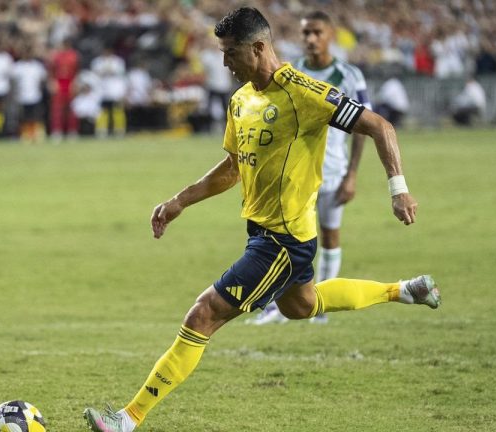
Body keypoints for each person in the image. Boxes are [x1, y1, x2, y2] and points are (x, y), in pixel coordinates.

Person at [83, 8, 440, 432]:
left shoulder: (305, 94)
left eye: (231, 53)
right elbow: (232, 168)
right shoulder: (241, 100)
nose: (224, 64)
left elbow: (380, 126)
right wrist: (180, 201)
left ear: (258, 47)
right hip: (269, 233)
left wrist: (398, 189)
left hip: (283, 241)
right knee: (303, 305)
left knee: (202, 315)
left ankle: (127, 418)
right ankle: (405, 291)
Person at [246, 10, 372, 325]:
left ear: (331, 34)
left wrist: (352, 174)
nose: (311, 39)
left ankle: (320, 306)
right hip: (295, 173)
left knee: (329, 235)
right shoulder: (291, 72)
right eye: (305, 33)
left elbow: (365, 126)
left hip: (332, 170)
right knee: (284, 241)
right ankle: (280, 307)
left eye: (317, 32)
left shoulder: (349, 75)